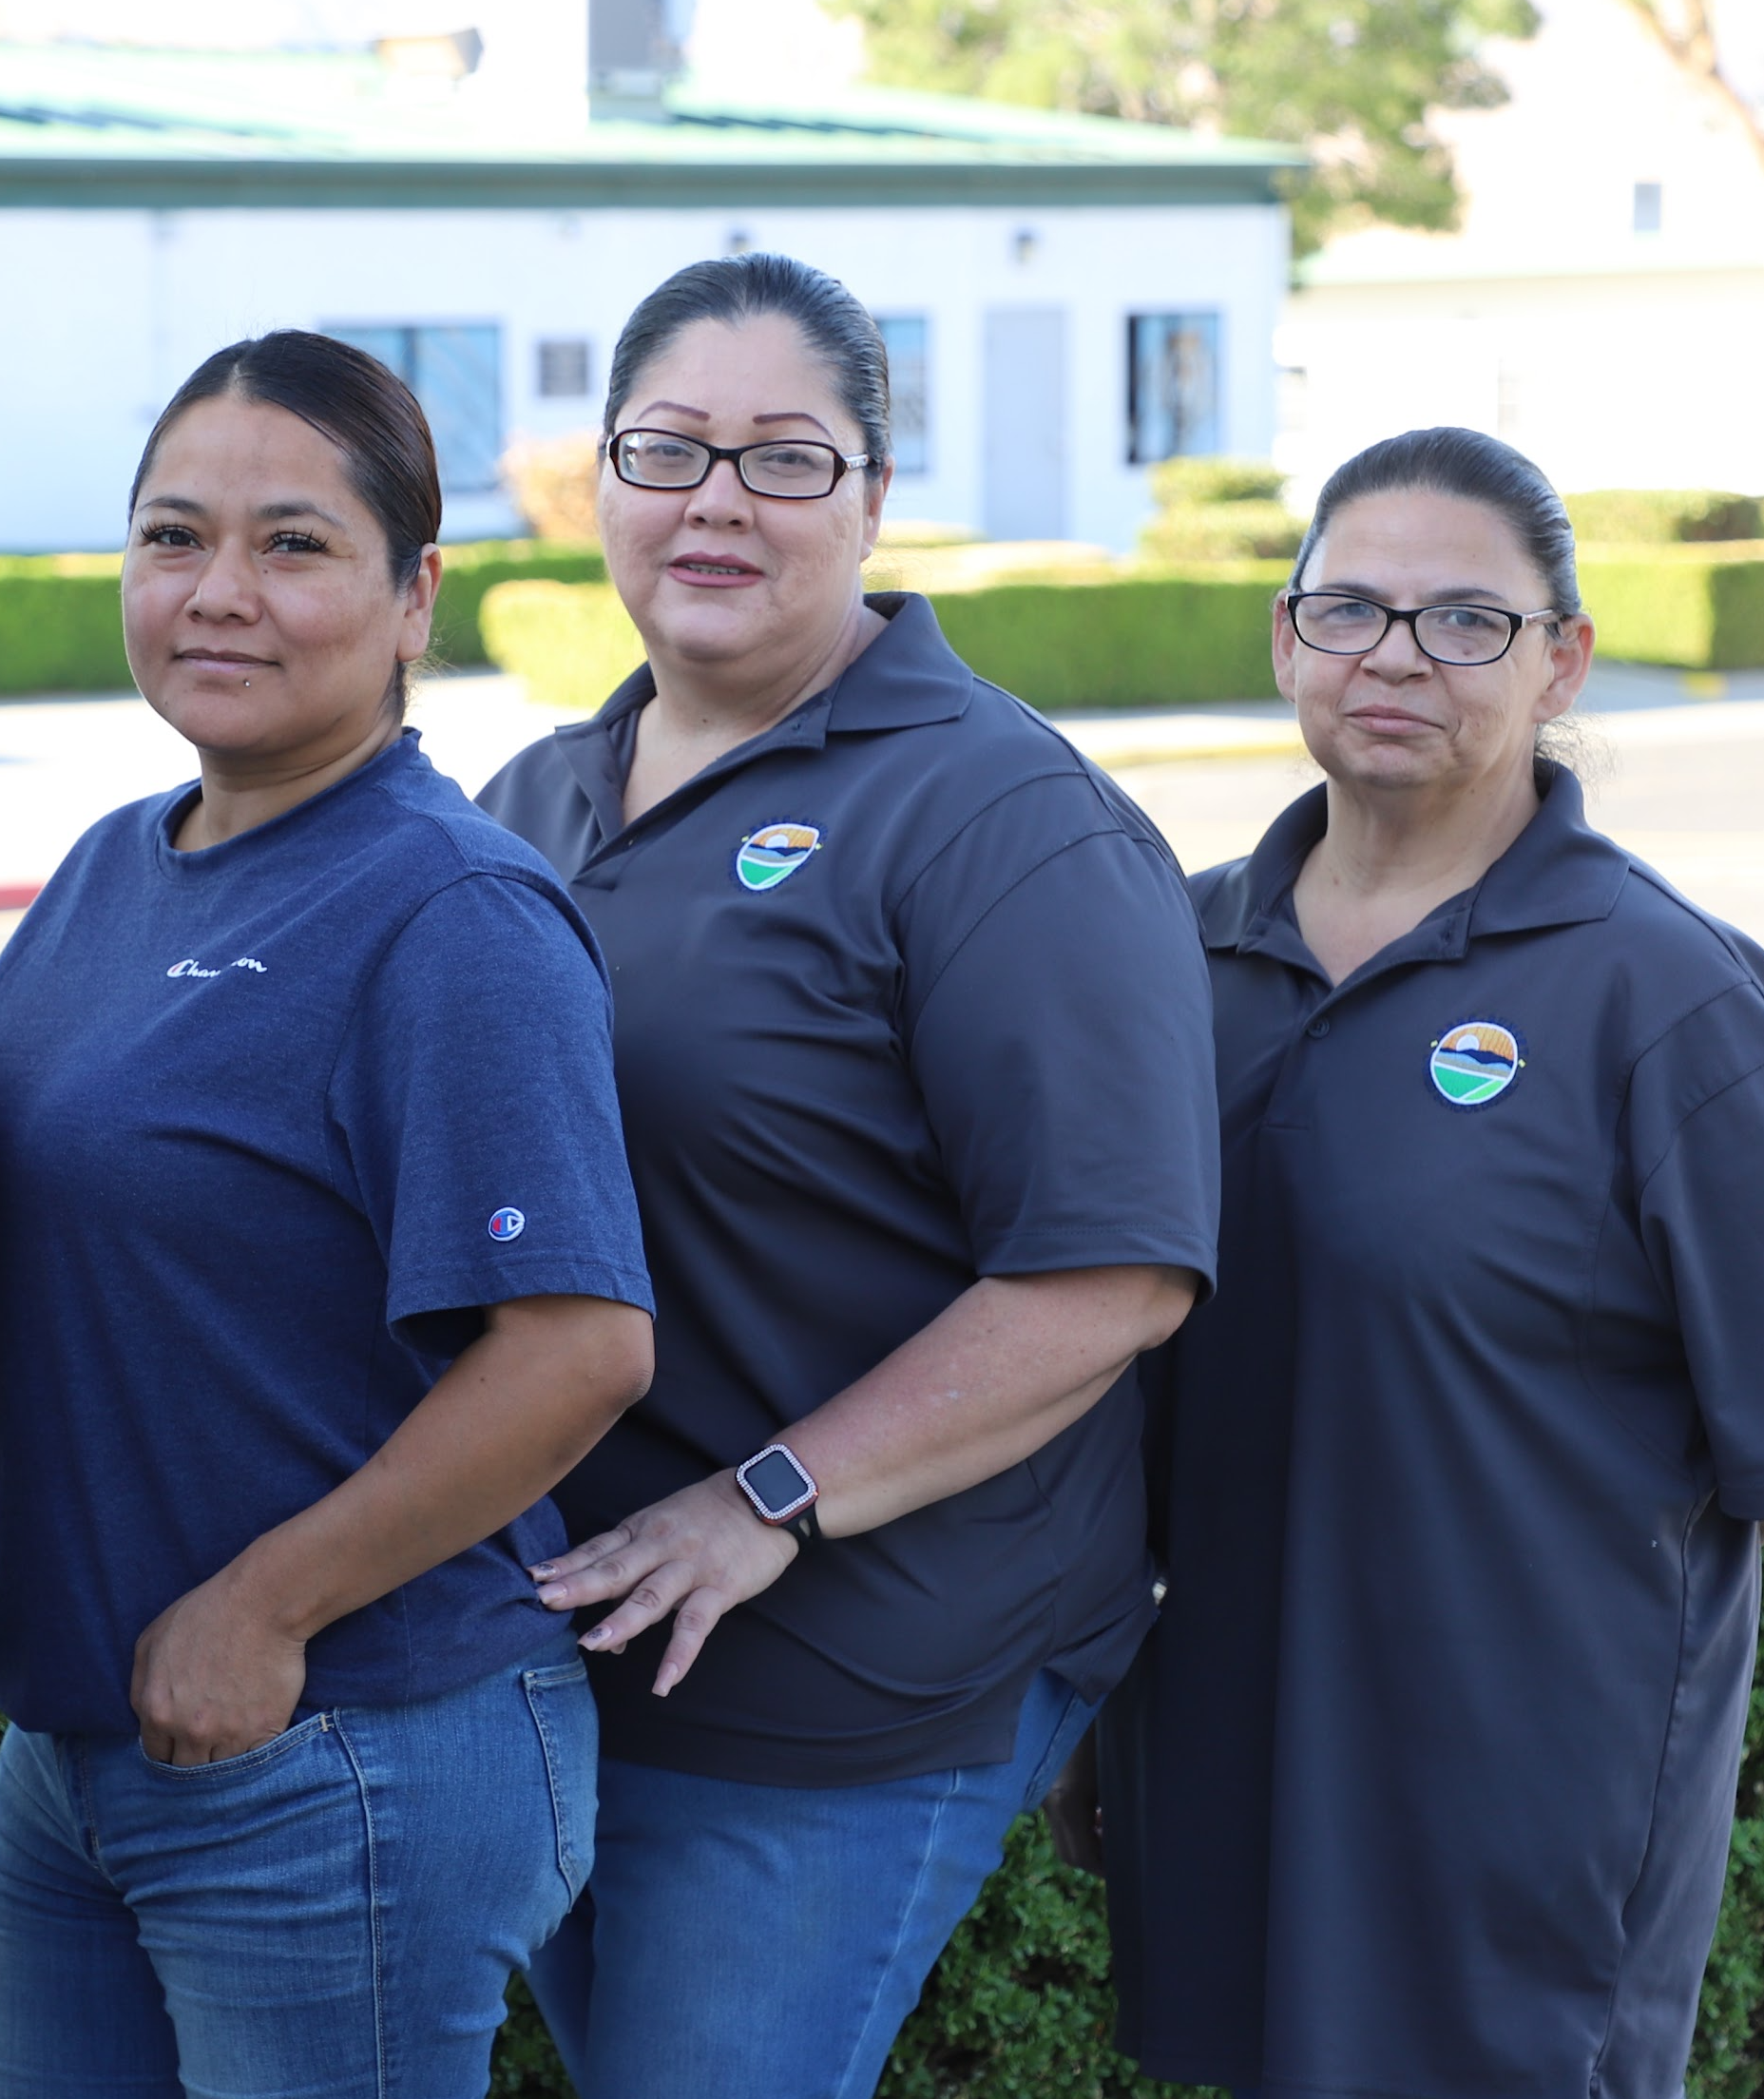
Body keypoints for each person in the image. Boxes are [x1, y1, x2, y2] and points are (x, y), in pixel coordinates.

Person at [1095, 427, 1764, 2099]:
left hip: (1516, 1805)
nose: (1397, 656)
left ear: (1562, 661)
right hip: (1226, 1751)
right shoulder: (1165, 958)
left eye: (1466, 620)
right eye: (1348, 609)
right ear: (1285, 640)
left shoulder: (1664, 996)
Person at [471, 255, 1219, 2099]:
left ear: (874, 501)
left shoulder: (998, 819)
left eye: (785, 457)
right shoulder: (534, 798)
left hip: (854, 1670)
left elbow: (1108, 1277)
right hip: (587, 1651)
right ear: (606, 488)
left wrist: (769, 1500)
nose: (718, 497)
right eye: (670, 448)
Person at [0, 330, 658, 2099]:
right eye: (172, 537)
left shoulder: (450, 913)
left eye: (294, 544)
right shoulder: (122, 860)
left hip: (342, 1744)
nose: (218, 592)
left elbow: (578, 1348)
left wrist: (264, 1609)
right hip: (87, 1740)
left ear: (418, 596)